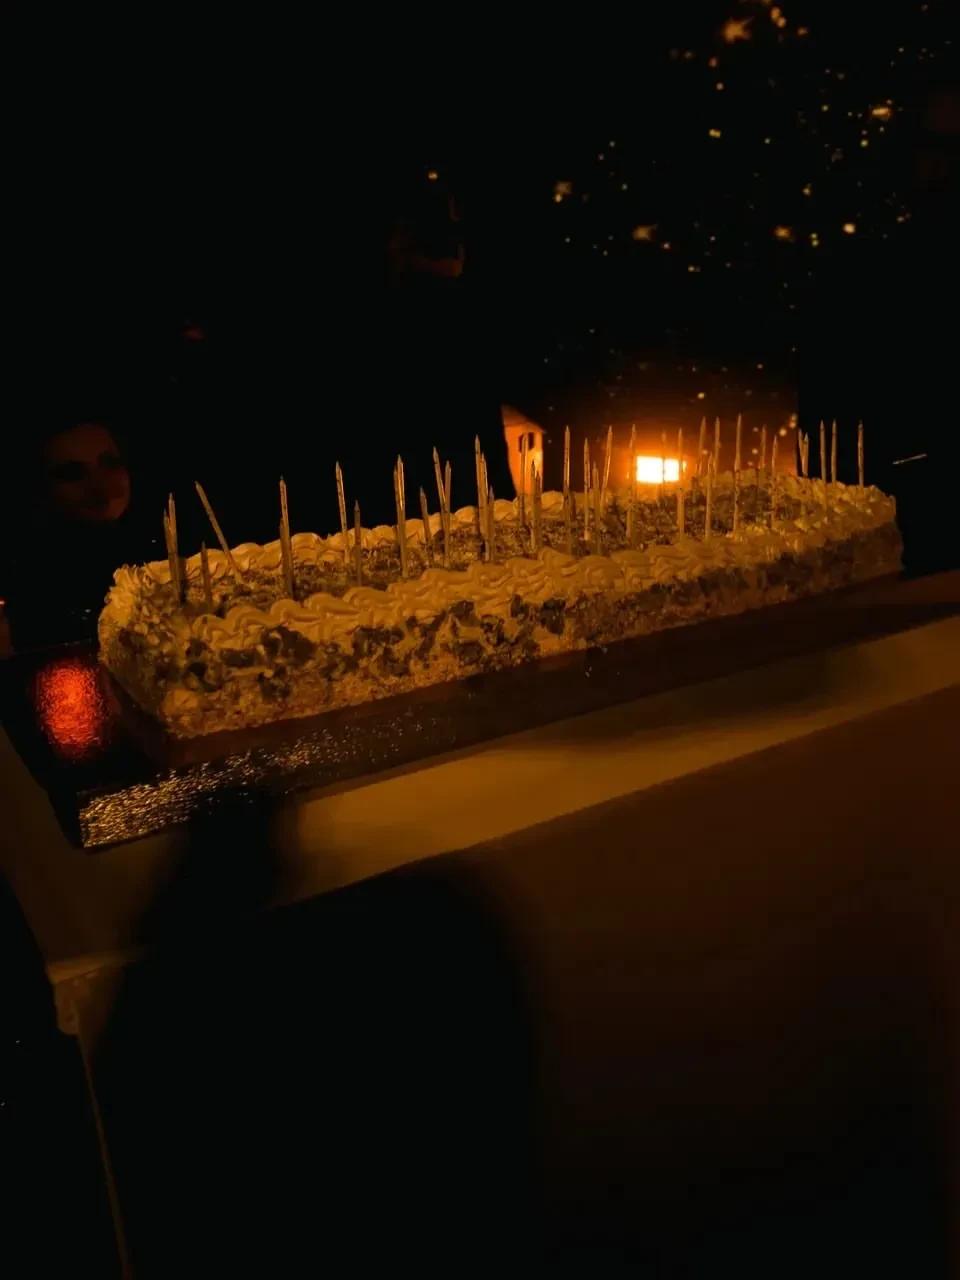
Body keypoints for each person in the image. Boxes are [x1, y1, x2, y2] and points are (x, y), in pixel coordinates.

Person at [1, 417, 162, 652]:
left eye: (109, 464)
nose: (99, 485)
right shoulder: (30, 586)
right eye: (73, 473)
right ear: (41, 490)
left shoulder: (166, 554)